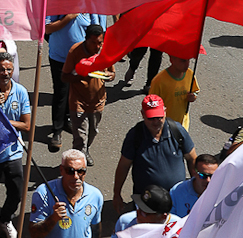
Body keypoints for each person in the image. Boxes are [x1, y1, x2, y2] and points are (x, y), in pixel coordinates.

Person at [112, 94, 196, 216]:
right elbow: (124, 166)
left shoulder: (177, 130)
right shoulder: (135, 135)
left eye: (159, 117)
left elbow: (192, 159)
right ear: (142, 114)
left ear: (165, 112)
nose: (156, 122)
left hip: (176, 201)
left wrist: (195, 188)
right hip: (146, 202)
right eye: (151, 118)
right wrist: (117, 194)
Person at [0, 53, 31, 238]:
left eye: (9, 69)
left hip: (13, 152)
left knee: (17, 191)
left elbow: (26, 125)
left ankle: (5, 219)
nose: (5, 73)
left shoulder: (21, 92)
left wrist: (6, 122)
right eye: (1, 69)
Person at [43, 11, 105, 150]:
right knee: (61, 92)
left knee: (75, 91)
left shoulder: (89, 7)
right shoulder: (58, 6)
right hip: (59, 57)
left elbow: (96, 28)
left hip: (82, 60)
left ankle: (67, 120)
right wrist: (68, 18)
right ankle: (57, 130)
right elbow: (47, 29)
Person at [61, 22, 113, 157]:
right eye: (93, 42)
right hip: (78, 102)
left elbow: (112, 74)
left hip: (98, 101)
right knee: (80, 137)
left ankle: (85, 150)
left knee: (93, 131)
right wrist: (80, 74)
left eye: (100, 43)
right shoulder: (75, 51)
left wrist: (109, 76)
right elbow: (64, 77)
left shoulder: (106, 50)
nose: (97, 47)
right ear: (86, 39)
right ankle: (78, 162)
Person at [150, 54, 200, 129]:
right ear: (172, 59)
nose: (187, 64)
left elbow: (195, 90)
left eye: (188, 60)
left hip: (183, 124)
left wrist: (194, 96)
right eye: (183, 61)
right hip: (165, 125)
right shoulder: (159, 81)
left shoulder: (190, 74)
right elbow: (152, 105)